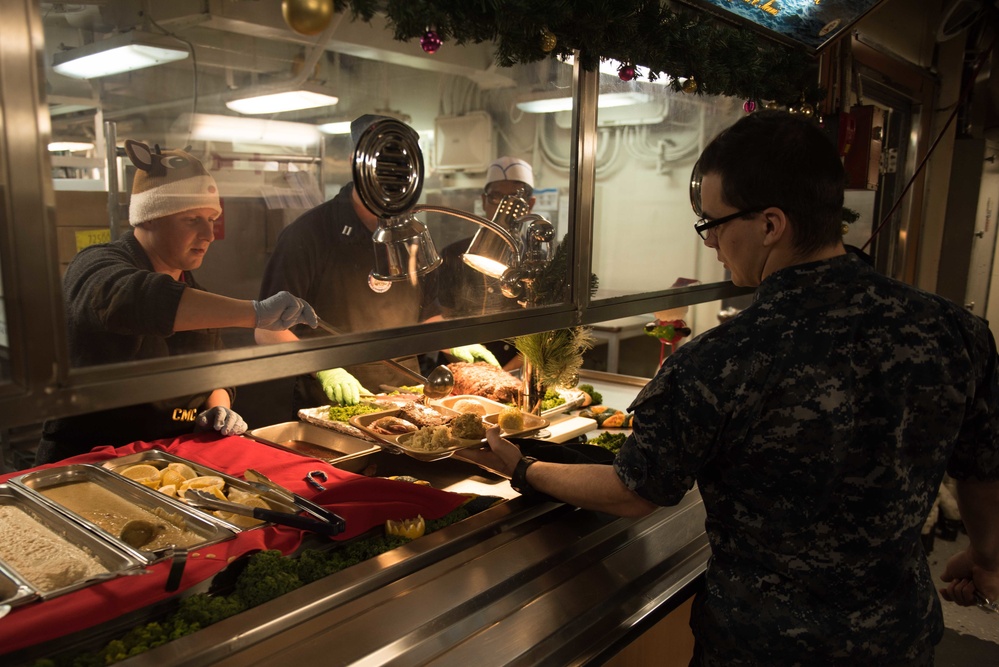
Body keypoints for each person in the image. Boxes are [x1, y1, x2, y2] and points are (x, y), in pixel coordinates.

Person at [462, 111, 999, 665]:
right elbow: (983, 470)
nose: (712, 240)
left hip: (758, 648)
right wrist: (987, 558)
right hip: (898, 642)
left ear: (771, 225)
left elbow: (634, 491)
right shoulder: (955, 331)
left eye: (715, 222)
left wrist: (521, 467)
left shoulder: (723, 359)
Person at [37, 140, 318, 466]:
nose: (209, 234)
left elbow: (213, 368)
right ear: (150, 217)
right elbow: (135, 299)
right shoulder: (96, 266)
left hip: (164, 460)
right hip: (88, 462)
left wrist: (219, 404)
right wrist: (253, 313)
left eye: (212, 218)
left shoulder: (191, 288)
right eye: (192, 219)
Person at [256, 114, 497, 408]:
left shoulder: (412, 235)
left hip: (407, 394)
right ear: (355, 164)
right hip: (332, 402)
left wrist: (453, 340)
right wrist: (325, 368)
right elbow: (266, 330)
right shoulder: (308, 234)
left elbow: (427, 313)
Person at [435, 156, 537, 369]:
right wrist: (471, 372)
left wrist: (502, 377)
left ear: (530, 205)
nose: (503, 207)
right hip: (458, 369)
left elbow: (542, 336)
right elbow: (442, 320)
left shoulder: (536, 265)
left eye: (514, 199)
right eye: (496, 197)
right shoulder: (454, 254)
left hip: (516, 372)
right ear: (483, 200)